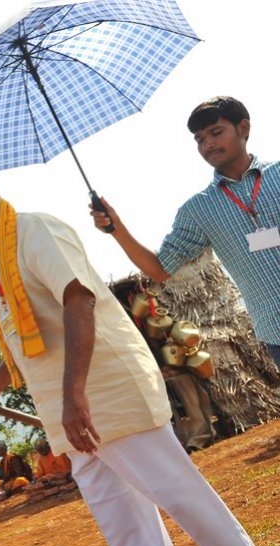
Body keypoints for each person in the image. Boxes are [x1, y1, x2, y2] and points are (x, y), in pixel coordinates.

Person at [0, 166, 280, 546]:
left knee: (196, 514)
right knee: (136, 542)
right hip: (74, 425)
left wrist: (75, 396)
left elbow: (79, 299)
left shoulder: (33, 230)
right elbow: (28, 335)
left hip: (107, 401)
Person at [90, 96, 280, 367]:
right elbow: (159, 269)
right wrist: (117, 228)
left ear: (244, 128)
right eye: (200, 140)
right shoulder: (199, 210)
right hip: (276, 333)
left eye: (215, 133)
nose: (208, 144)